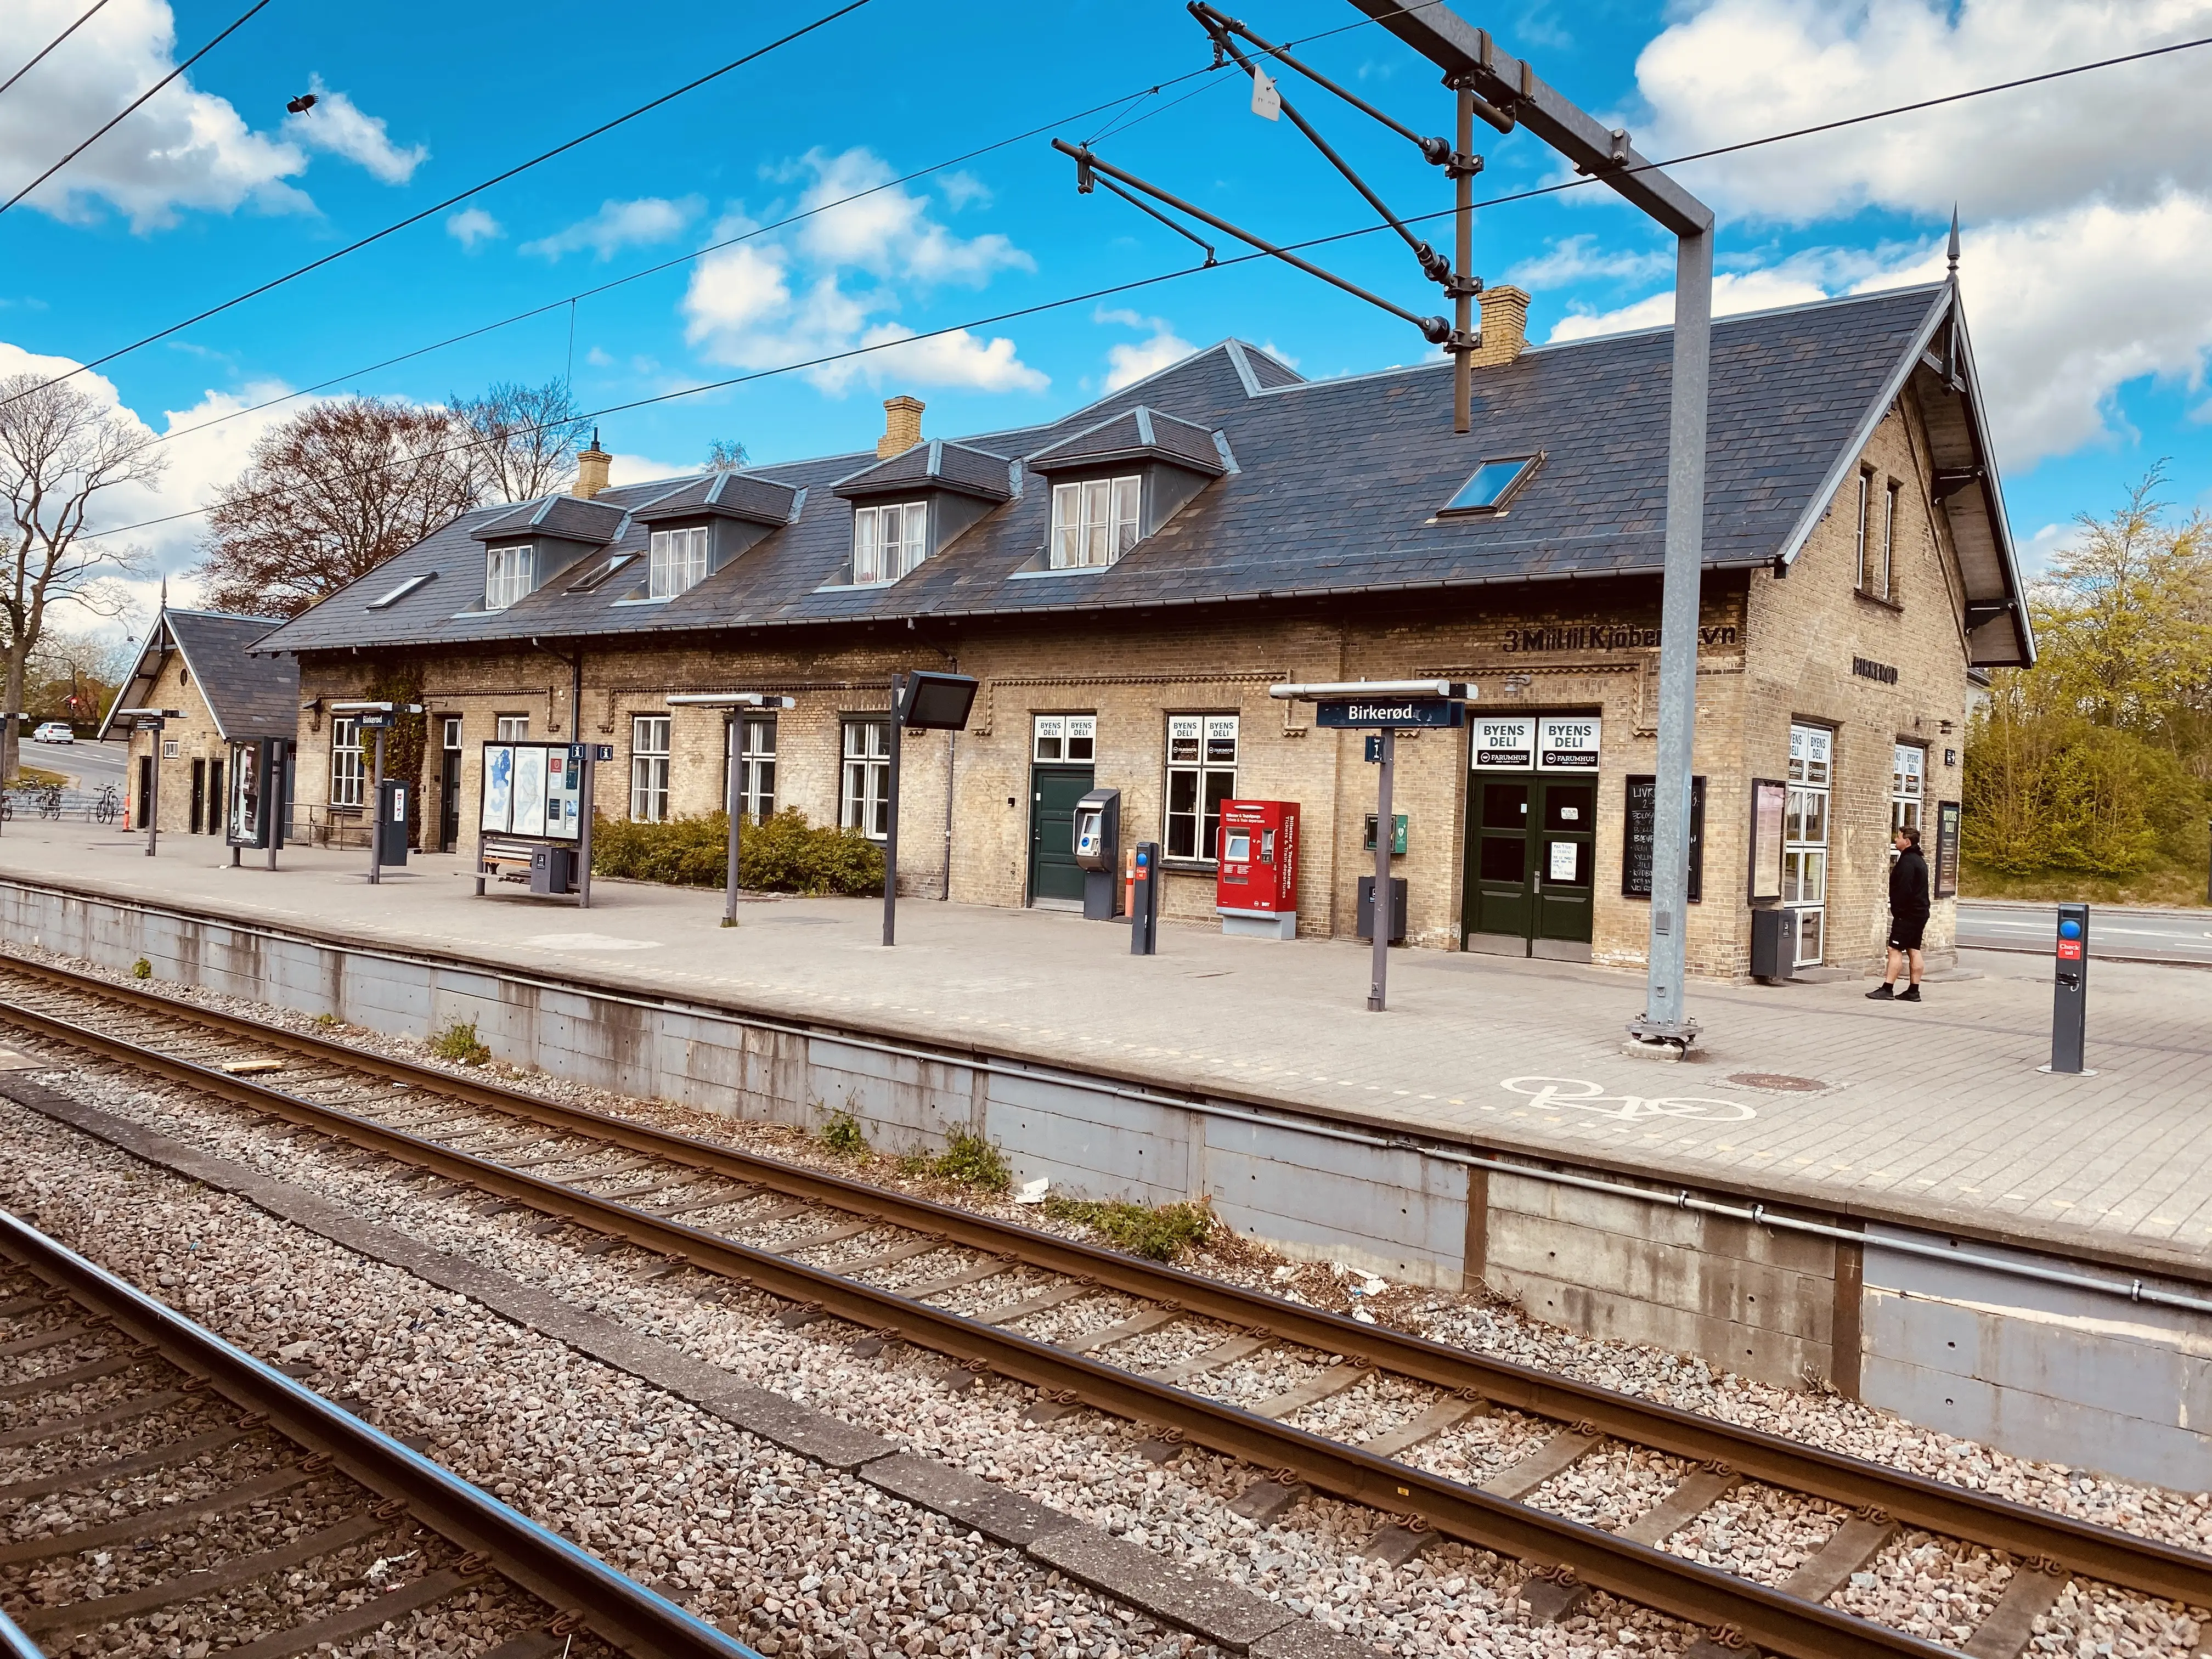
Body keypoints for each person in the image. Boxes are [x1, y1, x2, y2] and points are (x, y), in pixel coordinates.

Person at [1867, 825, 1930, 1002]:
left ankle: (1888, 988)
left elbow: (1903, 889)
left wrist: (1898, 911)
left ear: (1907, 841)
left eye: (1899, 837)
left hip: (1907, 914)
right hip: (1920, 912)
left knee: (1894, 949)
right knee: (1914, 949)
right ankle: (1913, 991)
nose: (1896, 840)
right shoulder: (1919, 860)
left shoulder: (1908, 862)